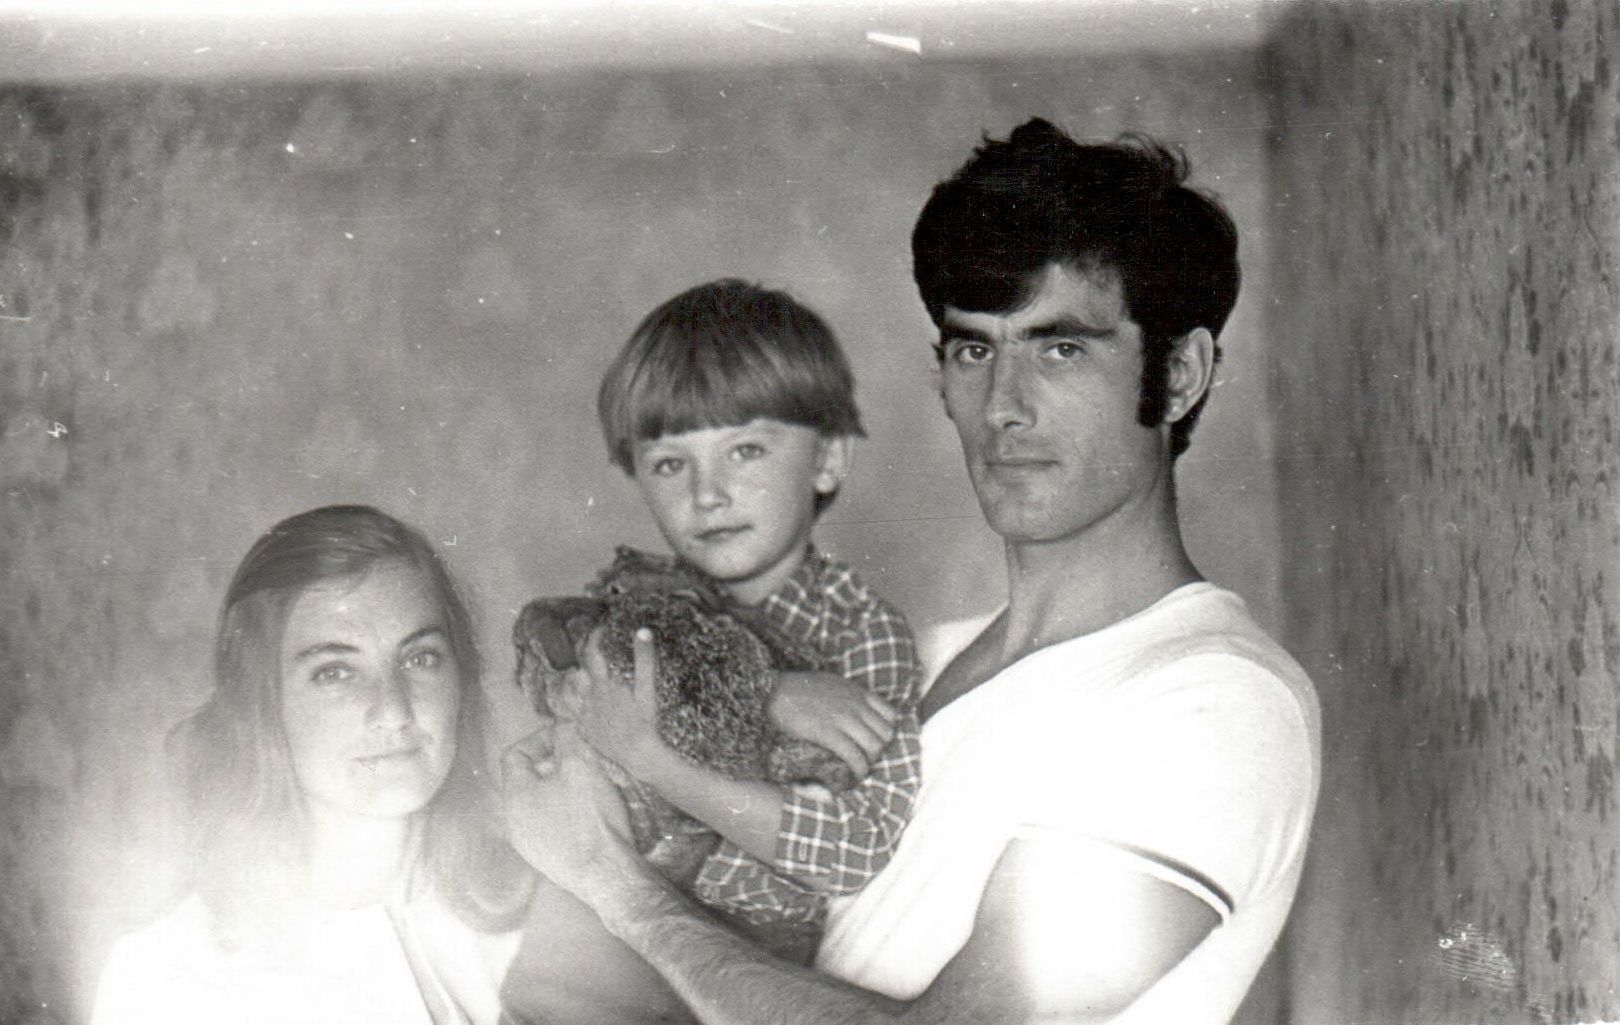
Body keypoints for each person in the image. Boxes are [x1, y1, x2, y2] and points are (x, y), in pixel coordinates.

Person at [501, 118, 1321, 1025]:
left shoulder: (1215, 701)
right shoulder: (910, 658)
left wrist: (614, 884)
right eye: (974, 349)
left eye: (1061, 349)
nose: (1003, 407)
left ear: (1178, 375)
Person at [508, 279, 921, 986]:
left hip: (728, 961)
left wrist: (654, 758)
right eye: (671, 464)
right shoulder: (642, 596)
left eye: (746, 451)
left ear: (826, 460)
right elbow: (556, 679)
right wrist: (765, 694)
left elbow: (855, 847)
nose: (707, 494)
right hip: (581, 938)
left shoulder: (861, 630)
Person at [92, 505, 533, 1025]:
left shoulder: (541, 921)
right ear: (263, 704)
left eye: (420, 659)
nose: (394, 711)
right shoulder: (164, 978)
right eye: (335, 672)